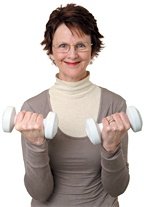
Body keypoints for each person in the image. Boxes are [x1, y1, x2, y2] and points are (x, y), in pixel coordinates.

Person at [15, 3, 130, 207]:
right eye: (63, 46)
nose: (72, 54)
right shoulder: (32, 109)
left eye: (81, 45)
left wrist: (111, 148)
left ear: (92, 49)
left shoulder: (115, 105)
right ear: (51, 50)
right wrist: (36, 144)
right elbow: (39, 192)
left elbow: (117, 188)